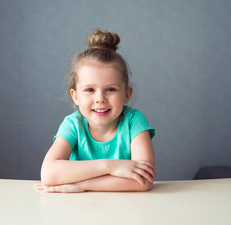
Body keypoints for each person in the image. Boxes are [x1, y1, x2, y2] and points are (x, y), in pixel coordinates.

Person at [35, 29, 156, 193]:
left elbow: (144, 181)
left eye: (110, 89)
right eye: (90, 90)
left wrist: (81, 185)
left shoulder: (134, 121)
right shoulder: (73, 124)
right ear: (75, 96)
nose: (100, 99)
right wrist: (110, 166)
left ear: (126, 94)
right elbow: (49, 174)